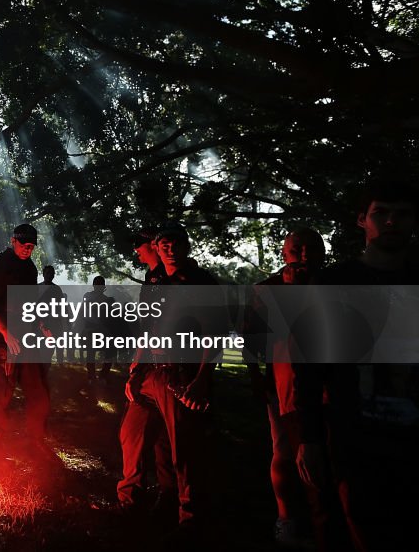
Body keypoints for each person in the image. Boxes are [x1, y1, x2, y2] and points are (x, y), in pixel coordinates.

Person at [290, 181, 417, 552]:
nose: (391, 221)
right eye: (381, 213)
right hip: (355, 442)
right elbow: (310, 368)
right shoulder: (333, 282)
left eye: (403, 213)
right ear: (363, 219)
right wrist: (310, 439)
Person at [118, 223, 220, 537]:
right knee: (131, 434)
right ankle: (129, 501)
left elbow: (213, 335)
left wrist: (201, 381)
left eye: (176, 243)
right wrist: (135, 371)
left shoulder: (201, 282)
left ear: (186, 246)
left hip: (181, 373)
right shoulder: (155, 281)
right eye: (163, 244)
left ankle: (188, 516)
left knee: (183, 449)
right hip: (150, 373)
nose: (169, 249)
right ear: (158, 248)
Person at [243, 229, 325, 547]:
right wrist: (256, 377)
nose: (304, 254)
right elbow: (251, 337)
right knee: (285, 451)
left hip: (329, 385)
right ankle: (286, 516)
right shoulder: (267, 290)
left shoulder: (335, 284)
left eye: (311, 248)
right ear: (284, 252)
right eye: (297, 248)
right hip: (285, 383)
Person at [0, 224, 50, 451]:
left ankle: (35, 440)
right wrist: (6, 334)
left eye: (31, 246)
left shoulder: (30, 268)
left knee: (38, 392)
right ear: (13, 241)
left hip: (27, 337)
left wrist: (40, 324)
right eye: (23, 245)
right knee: (1, 391)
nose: (27, 249)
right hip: (4, 338)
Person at [80, 276, 116, 379]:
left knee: (109, 352)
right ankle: (92, 376)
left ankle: (103, 376)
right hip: (91, 328)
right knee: (91, 353)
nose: (98, 286)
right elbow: (86, 310)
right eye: (97, 283)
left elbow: (109, 316)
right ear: (94, 285)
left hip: (103, 329)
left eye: (100, 283)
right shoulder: (88, 296)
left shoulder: (107, 300)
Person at [37, 267, 67, 364]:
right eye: (48, 273)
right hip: (39, 323)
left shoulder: (57, 289)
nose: (50, 275)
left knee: (49, 349)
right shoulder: (37, 288)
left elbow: (61, 308)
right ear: (44, 274)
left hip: (53, 323)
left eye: (52, 273)